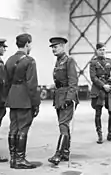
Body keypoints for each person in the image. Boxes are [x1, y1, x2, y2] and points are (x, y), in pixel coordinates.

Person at [5, 33, 40, 169]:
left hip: (12, 97)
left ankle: (13, 158)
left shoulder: (9, 60)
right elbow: (32, 85)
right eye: (30, 44)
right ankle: (20, 159)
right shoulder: (29, 61)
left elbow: (6, 82)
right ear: (27, 44)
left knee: (13, 128)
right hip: (24, 97)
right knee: (23, 128)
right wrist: (35, 103)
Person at [47, 37, 79, 166]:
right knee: (64, 125)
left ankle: (58, 154)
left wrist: (69, 98)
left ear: (62, 46)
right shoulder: (58, 61)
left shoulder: (69, 60)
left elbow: (73, 81)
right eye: (52, 47)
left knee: (63, 124)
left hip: (66, 96)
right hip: (59, 96)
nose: (53, 49)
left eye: (56, 47)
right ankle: (65, 152)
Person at [89, 43, 111, 144]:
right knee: (98, 113)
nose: (102, 51)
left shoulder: (110, 61)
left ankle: (110, 134)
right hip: (98, 89)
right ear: (96, 51)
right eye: (100, 50)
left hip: (110, 89)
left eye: (104, 50)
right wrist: (103, 85)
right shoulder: (93, 62)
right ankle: (100, 134)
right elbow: (93, 77)